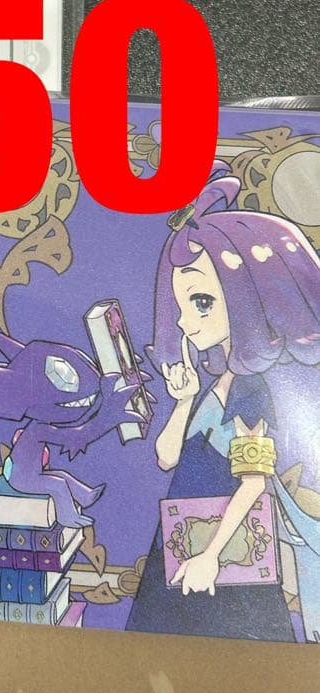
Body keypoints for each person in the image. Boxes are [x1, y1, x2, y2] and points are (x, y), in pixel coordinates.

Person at [127, 165, 320, 642]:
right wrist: (183, 400)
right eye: (181, 306)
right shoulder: (213, 382)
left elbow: (254, 483)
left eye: (202, 303)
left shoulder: (253, 390)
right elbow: (166, 457)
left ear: (249, 296)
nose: (186, 322)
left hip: (229, 552)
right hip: (178, 538)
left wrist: (210, 556)